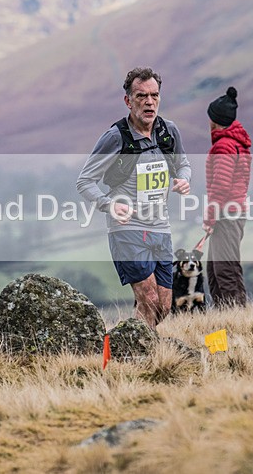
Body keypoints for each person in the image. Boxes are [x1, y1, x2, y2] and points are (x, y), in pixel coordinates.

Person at [77, 67, 191, 328]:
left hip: (160, 227)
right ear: (128, 101)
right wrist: (109, 204)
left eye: (154, 95)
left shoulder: (168, 132)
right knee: (149, 298)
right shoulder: (116, 137)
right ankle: (141, 360)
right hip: (127, 228)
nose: (149, 102)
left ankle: (129, 342)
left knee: (163, 306)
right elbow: (84, 181)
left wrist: (184, 179)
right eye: (141, 96)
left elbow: (183, 164)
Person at [202, 86, 252, 308]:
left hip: (227, 214)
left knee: (226, 270)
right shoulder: (233, 144)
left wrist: (209, 217)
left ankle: (237, 320)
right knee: (215, 270)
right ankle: (224, 317)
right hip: (229, 212)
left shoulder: (224, 146)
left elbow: (220, 187)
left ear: (215, 119)